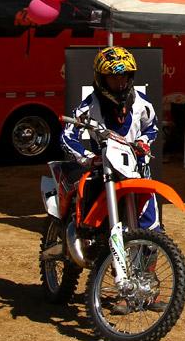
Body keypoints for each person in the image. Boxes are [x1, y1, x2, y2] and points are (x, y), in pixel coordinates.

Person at [61, 46, 161, 229]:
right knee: (88, 226)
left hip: (136, 169)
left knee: (152, 225)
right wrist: (89, 158)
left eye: (124, 76)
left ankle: (151, 250)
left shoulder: (142, 104)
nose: (120, 82)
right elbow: (67, 136)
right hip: (103, 169)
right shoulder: (88, 108)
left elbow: (152, 127)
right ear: (101, 78)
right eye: (113, 77)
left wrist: (143, 142)